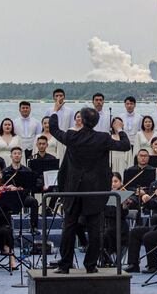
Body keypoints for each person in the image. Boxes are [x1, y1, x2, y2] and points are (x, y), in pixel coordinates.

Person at [48, 98, 131, 274]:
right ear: (96, 122)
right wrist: (119, 129)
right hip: (95, 190)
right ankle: (91, 265)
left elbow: (54, 129)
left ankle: (65, 264)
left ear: (82, 120)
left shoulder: (72, 136)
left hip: (74, 189)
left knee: (69, 227)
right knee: (95, 230)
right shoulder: (102, 138)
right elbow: (125, 145)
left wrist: (55, 110)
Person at [3, 147, 40, 232]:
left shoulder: (27, 170)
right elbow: (2, 187)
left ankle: (33, 226)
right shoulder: (5, 171)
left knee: (34, 201)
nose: (17, 155)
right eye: (15, 154)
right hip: (10, 198)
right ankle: (6, 227)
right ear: (11, 156)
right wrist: (10, 188)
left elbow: (30, 186)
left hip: (23, 196)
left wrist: (21, 189)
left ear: (21, 156)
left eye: (19, 154)